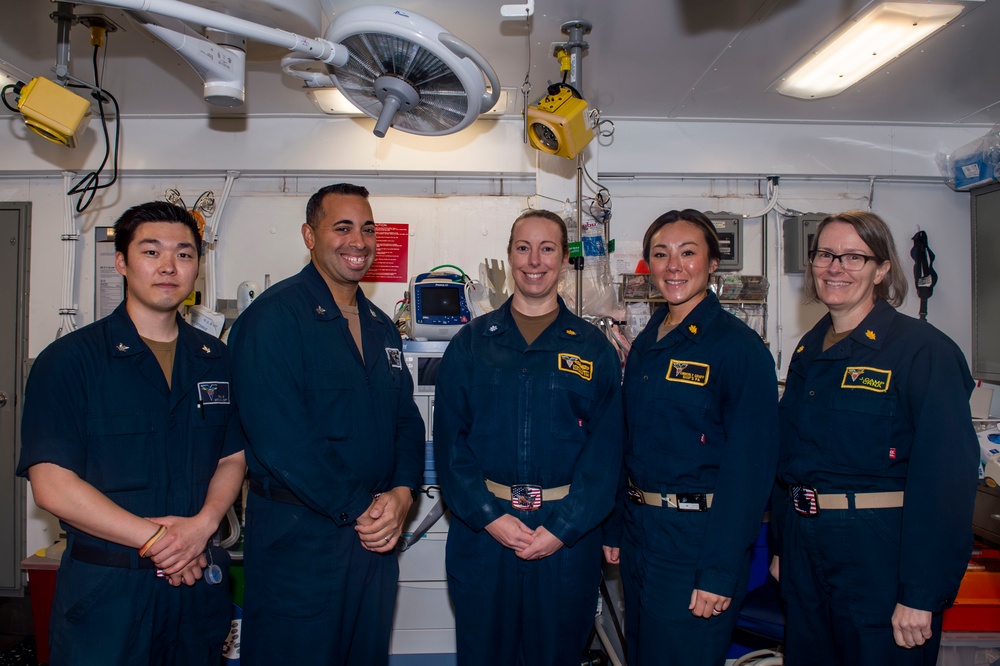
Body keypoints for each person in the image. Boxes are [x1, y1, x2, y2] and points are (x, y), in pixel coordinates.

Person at [17, 201, 247, 665]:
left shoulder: (216, 359)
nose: (168, 266)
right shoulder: (70, 361)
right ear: (121, 262)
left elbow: (232, 456)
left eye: (184, 254)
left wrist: (202, 528)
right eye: (151, 251)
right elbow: (53, 485)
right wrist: (161, 542)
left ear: (197, 268)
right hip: (108, 590)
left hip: (195, 584)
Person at [227, 183, 424, 666]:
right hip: (301, 541)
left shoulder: (380, 326)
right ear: (309, 236)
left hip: (374, 538)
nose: (358, 241)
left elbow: (406, 421)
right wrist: (365, 509)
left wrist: (402, 494)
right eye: (342, 227)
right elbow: (281, 438)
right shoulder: (273, 319)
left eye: (367, 228)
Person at [772, 210, 979, 665]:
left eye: (853, 257)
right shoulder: (811, 346)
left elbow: (946, 483)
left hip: (879, 555)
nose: (835, 267)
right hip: (807, 549)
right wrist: (783, 547)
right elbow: (793, 457)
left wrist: (921, 593)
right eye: (825, 254)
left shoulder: (922, 351)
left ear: (882, 269)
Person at [433, 209, 624, 666]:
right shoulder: (471, 343)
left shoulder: (592, 348)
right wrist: (490, 518)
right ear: (510, 255)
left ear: (563, 260)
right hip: (485, 535)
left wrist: (561, 530)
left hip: (565, 540)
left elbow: (606, 455)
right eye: (523, 247)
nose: (533, 260)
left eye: (547, 248)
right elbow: (450, 447)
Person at [602, 209, 778, 666]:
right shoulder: (647, 345)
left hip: (697, 541)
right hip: (643, 537)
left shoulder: (738, 349)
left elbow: (750, 469)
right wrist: (618, 525)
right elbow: (632, 444)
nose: (674, 266)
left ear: (713, 264)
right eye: (661, 254)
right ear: (648, 265)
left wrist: (718, 571)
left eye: (688, 253)